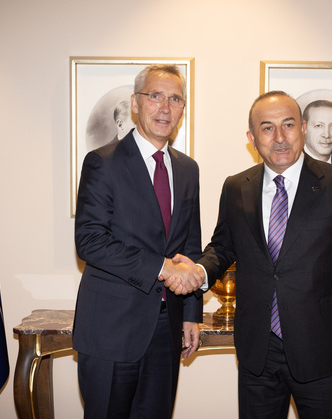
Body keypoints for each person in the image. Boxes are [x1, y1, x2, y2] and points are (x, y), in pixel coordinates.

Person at [171, 91, 332, 418]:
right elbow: (223, 247)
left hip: (324, 350)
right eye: (267, 128)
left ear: (304, 128)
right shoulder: (237, 187)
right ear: (252, 138)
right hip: (258, 350)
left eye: (289, 125)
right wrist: (199, 271)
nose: (280, 137)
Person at [73, 64, 205, 419]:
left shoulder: (188, 169)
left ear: (182, 109)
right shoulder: (103, 162)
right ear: (135, 103)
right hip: (111, 330)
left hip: (167, 328)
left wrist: (192, 315)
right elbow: (90, 241)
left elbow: (190, 246)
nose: (165, 107)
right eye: (155, 96)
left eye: (175, 99)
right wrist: (163, 267)